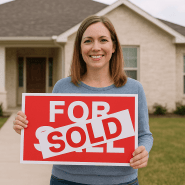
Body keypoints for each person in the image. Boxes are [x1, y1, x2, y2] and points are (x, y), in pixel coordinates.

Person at [13, 15, 153, 185]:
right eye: (88, 41)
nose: (96, 47)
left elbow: (144, 134)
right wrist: (27, 128)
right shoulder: (62, 87)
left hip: (121, 181)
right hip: (66, 180)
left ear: (114, 46)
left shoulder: (134, 88)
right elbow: (47, 134)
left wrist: (143, 150)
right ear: (80, 48)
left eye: (103, 40)